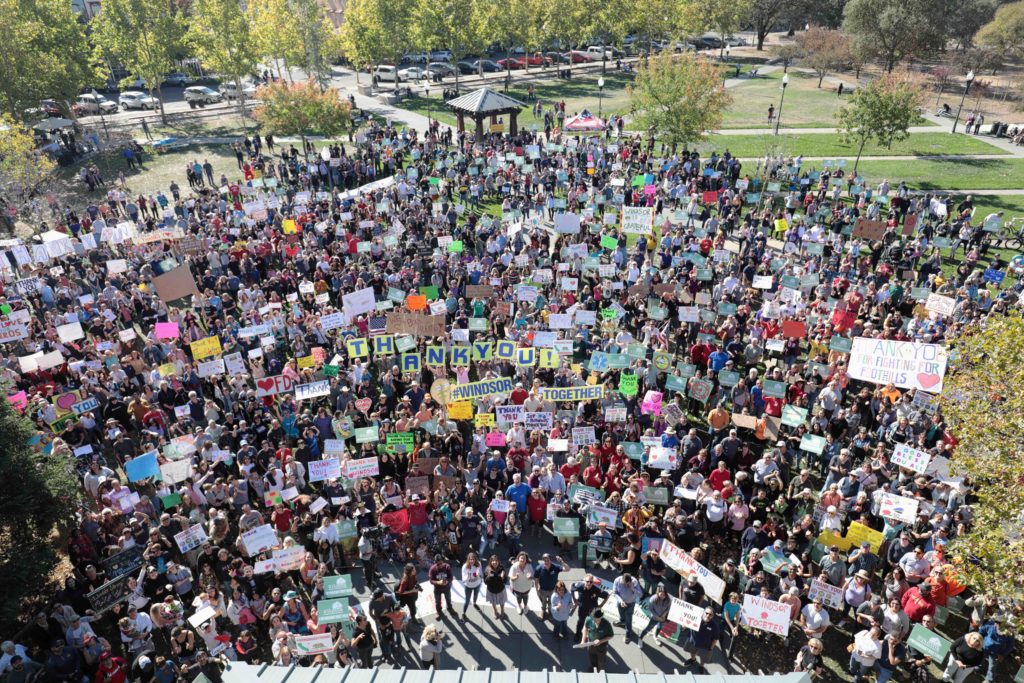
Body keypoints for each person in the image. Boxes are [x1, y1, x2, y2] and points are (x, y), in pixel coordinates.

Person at [684, 607, 721, 674]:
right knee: (692, 652)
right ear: (703, 612)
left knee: (703, 658)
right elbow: (687, 625)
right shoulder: (695, 618)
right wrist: (684, 626)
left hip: (705, 646)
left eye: (710, 614)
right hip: (693, 641)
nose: (708, 615)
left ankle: (701, 666)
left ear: (713, 616)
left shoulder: (715, 626)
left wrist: (711, 648)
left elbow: (715, 638)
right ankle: (693, 659)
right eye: (706, 613)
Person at [611, 573, 641, 643]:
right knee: (621, 614)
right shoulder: (617, 580)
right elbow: (614, 592)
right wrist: (621, 601)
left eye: (628, 584)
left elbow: (640, 594)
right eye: (625, 584)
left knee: (629, 618)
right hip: (620, 602)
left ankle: (628, 632)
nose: (626, 585)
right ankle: (622, 622)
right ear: (622, 579)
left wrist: (633, 588)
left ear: (630, 580)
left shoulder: (634, 582)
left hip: (631, 603)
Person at [428, 555, 456, 619]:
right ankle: (438, 611)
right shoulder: (432, 569)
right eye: (438, 564)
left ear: (443, 561)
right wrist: (438, 582)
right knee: (438, 601)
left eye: (441, 563)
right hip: (437, 588)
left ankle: (450, 608)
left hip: (446, 587)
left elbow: (451, 577)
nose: (440, 565)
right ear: (435, 563)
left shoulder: (447, 567)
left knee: (448, 599)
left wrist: (447, 581)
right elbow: (431, 580)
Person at [483, 554, 508, 619]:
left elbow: (505, 581)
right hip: (491, 590)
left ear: (498, 561)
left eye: (496, 560)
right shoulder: (487, 569)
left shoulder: (501, 568)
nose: (494, 562)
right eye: (493, 561)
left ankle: (502, 610)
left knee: (502, 602)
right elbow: (485, 582)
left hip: (500, 590)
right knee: (493, 602)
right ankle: (495, 611)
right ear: (490, 562)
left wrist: (503, 577)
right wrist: (489, 576)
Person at [461, 552, 484, 618]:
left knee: (476, 596)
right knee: (467, 601)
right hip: (468, 586)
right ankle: (464, 613)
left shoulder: (479, 564)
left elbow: (481, 575)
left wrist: (479, 574)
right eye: (470, 559)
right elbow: (463, 579)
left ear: (475, 559)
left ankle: (474, 603)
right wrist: (469, 575)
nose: (472, 561)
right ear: (468, 559)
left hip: (477, 585)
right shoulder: (465, 567)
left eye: (473, 559)